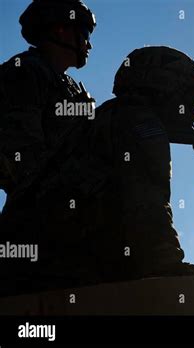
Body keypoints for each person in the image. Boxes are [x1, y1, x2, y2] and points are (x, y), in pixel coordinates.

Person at [82, 46, 194, 282]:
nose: (192, 116)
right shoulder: (141, 123)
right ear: (165, 88)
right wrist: (166, 267)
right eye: (189, 100)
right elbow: (147, 204)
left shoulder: (102, 117)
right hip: (78, 271)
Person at [0, 0, 96, 295]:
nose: (89, 45)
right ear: (61, 31)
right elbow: (20, 160)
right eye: (84, 33)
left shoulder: (74, 90)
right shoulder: (22, 73)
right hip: (35, 229)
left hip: (73, 224)